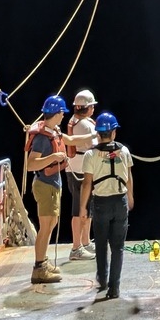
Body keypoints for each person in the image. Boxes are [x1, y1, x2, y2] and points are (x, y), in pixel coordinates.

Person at [25, 95, 96, 284]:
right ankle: (39, 268)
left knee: (51, 224)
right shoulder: (42, 137)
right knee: (45, 226)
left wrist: (93, 135)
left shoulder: (53, 131)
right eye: (62, 112)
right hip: (45, 185)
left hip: (53, 184)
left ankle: (43, 261)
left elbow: (71, 139)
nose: (64, 116)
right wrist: (53, 157)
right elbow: (30, 165)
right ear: (56, 113)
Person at [78, 112, 133, 299]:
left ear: (98, 134)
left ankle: (102, 279)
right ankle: (114, 288)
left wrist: (82, 208)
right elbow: (129, 177)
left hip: (101, 203)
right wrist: (130, 197)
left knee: (101, 244)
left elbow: (87, 183)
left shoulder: (90, 155)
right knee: (118, 246)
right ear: (114, 132)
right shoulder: (124, 151)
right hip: (120, 201)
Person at [65, 89, 98, 261]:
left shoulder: (75, 121)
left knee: (86, 207)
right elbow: (96, 144)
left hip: (76, 169)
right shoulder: (85, 125)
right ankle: (76, 247)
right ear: (89, 107)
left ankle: (85, 242)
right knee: (79, 209)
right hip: (80, 172)